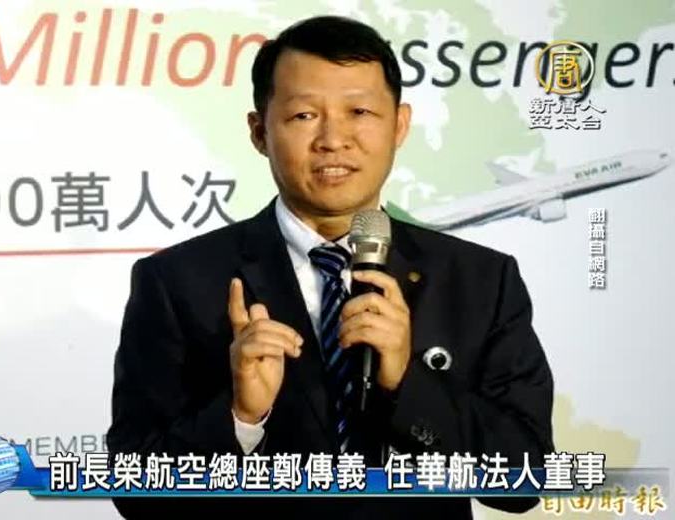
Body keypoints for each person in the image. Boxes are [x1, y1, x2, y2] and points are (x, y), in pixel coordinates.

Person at [107, 15, 554, 519]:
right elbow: (135, 491)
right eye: (303, 116)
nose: (333, 139)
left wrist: (407, 383)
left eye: (359, 111)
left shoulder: (480, 280)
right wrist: (240, 416)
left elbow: (526, 478)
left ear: (400, 125)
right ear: (259, 131)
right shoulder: (178, 281)